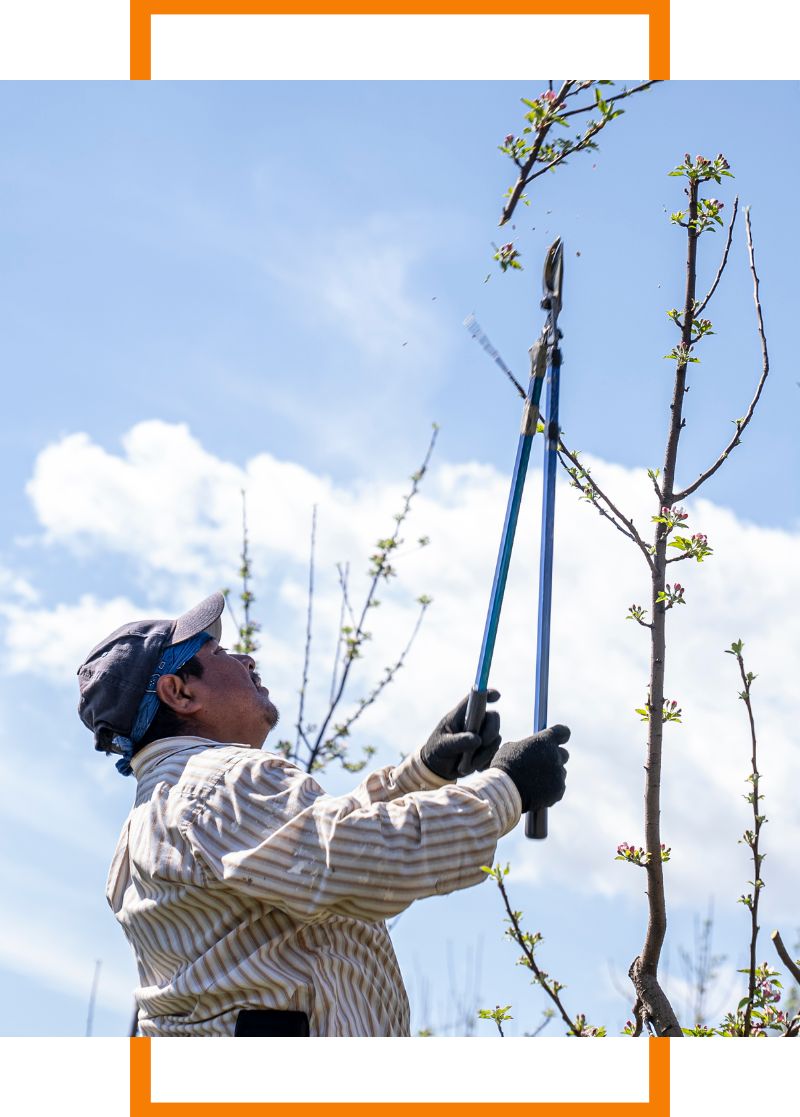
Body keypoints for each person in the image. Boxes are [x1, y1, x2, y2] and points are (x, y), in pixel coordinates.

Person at [77, 591, 570, 1037]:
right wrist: (508, 788)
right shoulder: (219, 782)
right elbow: (358, 861)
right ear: (180, 693)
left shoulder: (155, 816)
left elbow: (302, 854)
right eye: (218, 653)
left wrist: (424, 772)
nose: (246, 659)